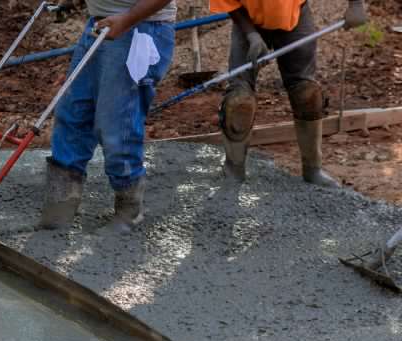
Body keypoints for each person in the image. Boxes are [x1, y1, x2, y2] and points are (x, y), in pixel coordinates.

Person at [41, 0, 177, 233]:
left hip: (139, 28)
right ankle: (60, 206)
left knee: (116, 122)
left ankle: (129, 211)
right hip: (99, 24)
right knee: (73, 112)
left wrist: (125, 20)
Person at [209, 0, 367, 186]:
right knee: (239, 101)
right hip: (248, 22)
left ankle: (312, 169)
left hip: (295, 18)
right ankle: (233, 170)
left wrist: (356, 4)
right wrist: (251, 34)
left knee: (307, 94)